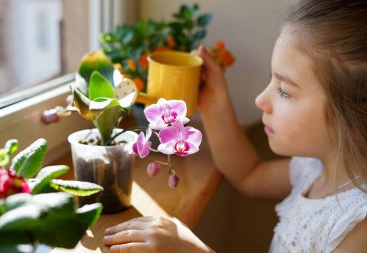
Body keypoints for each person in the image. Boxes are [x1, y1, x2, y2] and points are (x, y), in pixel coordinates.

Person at [103, 1, 367, 252]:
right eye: (271, 81)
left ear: (358, 115)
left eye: (285, 91)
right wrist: (215, 104)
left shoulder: (358, 227)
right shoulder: (313, 169)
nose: (260, 100)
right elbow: (249, 174)